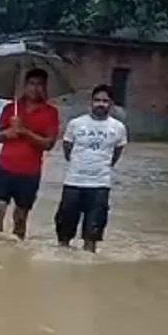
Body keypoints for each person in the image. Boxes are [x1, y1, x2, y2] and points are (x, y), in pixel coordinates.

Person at [0, 68, 61, 239]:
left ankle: (17, 249)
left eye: (40, 85)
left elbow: (48, 144)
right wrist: (7, 133)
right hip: (4, 167)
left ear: (45, 88)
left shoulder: (51, 113)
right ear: (25, 86)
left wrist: (24, 131)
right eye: (32, 84)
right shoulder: (10, 109)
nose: (35, 88)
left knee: (20, 217)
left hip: (29, 173)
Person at [56, 84, 127, 252]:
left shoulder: (118, 128)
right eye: (97, 100)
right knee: (64, 232)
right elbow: (67, 150)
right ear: (91, 102)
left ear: (111, 104)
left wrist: (101, 166)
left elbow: (116, 153)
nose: (100, 104)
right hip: (73, 182)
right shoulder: (75, 124)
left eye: (105, 101)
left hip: (100, 185)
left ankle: (87, 268)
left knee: (92, 234)